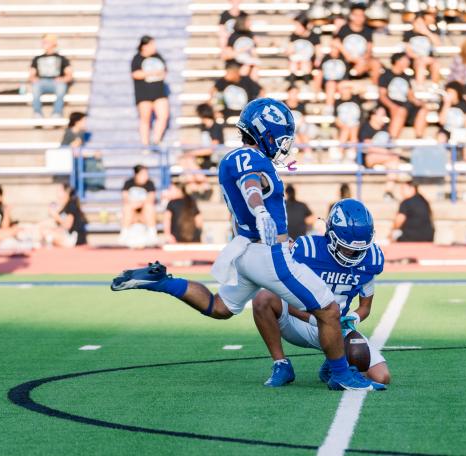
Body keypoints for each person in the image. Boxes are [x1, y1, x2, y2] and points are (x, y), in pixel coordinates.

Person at [111, 98, 385, 391]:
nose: (284, 144)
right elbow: (250, 184)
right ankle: (341, 375)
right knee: (328, 310)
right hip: (268, 252)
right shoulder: (251, 160)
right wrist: (260, 209)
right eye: (281, 137)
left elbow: (251, 182)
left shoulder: (234, 158)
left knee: (220, 307)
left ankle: (163, 282)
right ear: (265, 132)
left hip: (243, 249)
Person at [252, 199, 390, 386]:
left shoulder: (371, 258)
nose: (353, 254)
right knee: (264, 297)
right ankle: (281, 364)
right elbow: (287, 299)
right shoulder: (307, 250)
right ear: (330, 235)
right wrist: (317, 319)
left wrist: (353, 319)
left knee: (382, 376)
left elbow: (365, 307)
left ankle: (331, 365)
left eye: (358, 249)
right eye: (347, 247)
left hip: (336, 329)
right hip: (299, 321)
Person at [378, 53, 427, 139]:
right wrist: (392, 107)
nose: (408, 62)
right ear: (398, 61)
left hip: (405, 105)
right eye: (405, 60)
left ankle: (419, 137)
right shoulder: (386, 75)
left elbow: (410, 95)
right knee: (401, 110)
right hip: (390, 105)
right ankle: (392, 140)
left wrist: (418, 102)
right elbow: (382, 96)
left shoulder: (406, 77)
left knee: (423, 110)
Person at [131, 36, 169, 147]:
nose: (154, 47)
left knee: (163, 115)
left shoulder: (158, 56)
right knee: (145, 119)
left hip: (159, 92)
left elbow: (164, 72)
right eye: (151, 44)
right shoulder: (137, 58)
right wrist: (152, 72)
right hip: (144, 93)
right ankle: (145, 144)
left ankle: (156, 140)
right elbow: (135, 74)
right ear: (144, 46)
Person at [332, 4, 381, 84]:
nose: (359, 18)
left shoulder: (368, 30)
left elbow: (369, 50)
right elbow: (335, 42)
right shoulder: (344, 28)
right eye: (356, 15)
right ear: (351, 16)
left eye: (361, 15)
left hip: (362, 61)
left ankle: (375, 87)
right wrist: (349, 56)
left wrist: (361, 60)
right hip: (345, 60)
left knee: (376, 63)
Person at [360, 105, 398, 201]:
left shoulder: (385, 128)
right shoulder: (366, 127)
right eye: (382, 114)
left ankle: (388, 192)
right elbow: (369, 147)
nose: (384, 117)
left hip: (384, 156)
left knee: (394, 162)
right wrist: (387, 152)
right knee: (393, 158)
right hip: (369, 157)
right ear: (373, 115)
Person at [30, 34, 72, 118]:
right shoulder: (37, 58)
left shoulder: (62, 58)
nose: (44, 44)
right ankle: (37, 113)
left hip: (56, 82)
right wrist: (34, 79)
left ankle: (57, 113)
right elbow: (31, 74)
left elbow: (69, 75)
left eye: (47, 42)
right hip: (42, 82)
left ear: (54, 43)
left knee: (61, 88)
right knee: (35, 87)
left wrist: (63, 79)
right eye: (44, 42)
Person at [38, 183, 88, 247]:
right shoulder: (63, 206)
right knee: (44, 230)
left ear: (66, 192)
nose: (57, 193)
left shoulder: (71, 205)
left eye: (59, 191)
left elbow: (67, 225)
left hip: (73, 239)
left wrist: (55, 215)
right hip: (66, 236)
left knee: (47, 234)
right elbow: (59, 226)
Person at [120, 164, 158, 246]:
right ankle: (124, 233)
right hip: (132, 212)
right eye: (143, 174)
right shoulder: (128, 183)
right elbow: (125, 198)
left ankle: (152, 233)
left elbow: (151, 198)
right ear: (136, 174)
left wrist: (139, 204)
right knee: (127, 208)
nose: (146, 176)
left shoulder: (150, 183)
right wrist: (133, 205)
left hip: (144, 212)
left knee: (149, 207)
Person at [437, 81, 466, 161]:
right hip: (446, 130)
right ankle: (440, 161)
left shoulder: (463, 104)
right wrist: (447, 104)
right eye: (448, 92)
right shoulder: (443, 104)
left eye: (452, 92)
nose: (450, 95)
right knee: (441, 137)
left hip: (459, 131)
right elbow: (441, 121)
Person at [403, 13, 441, 85]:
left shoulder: (430, 32)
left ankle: (435, 86)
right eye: (417, 23)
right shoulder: (408, 34)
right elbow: (409, 51)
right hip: (415, 60)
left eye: (421, 23)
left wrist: (427, 32)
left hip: (428, 59)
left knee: (436, 64)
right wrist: (420, 57)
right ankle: (420, 86)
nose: (419, 25)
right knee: (420, 64)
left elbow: (438, 44)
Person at [287, 13, 322, 85]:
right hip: (296, 61)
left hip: (308, 61)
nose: (295, 28)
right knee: (293, 64)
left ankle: (307, 82)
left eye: (298, 26)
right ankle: (292, 83)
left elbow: (318, 50)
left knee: (305, 63)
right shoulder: (294, 36)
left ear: (304, 25)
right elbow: (290, 50)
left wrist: (318, 59)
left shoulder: (313, 36)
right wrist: (292, 54)